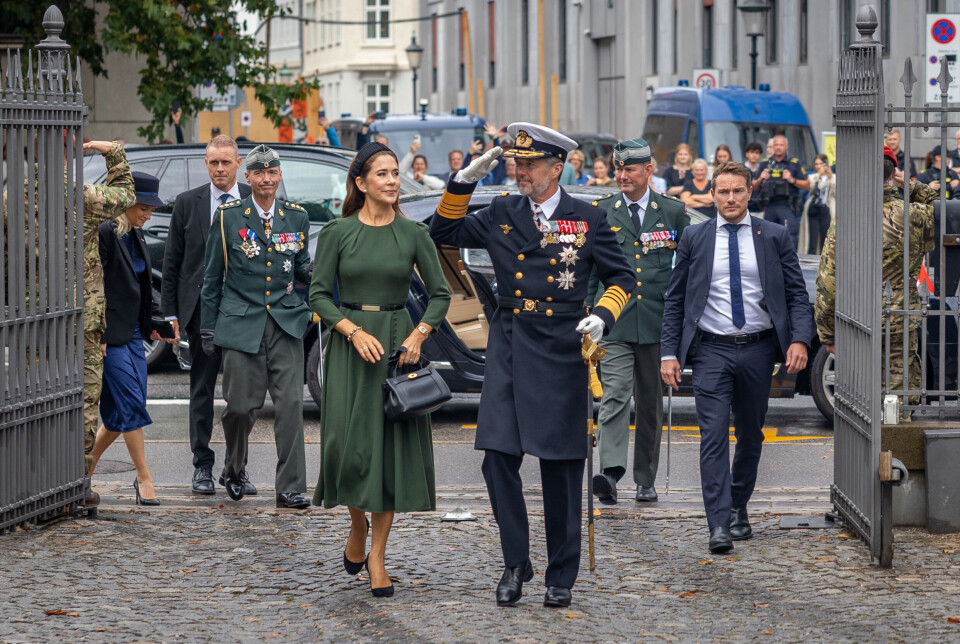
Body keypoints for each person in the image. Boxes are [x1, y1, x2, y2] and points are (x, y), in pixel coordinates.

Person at [430, 122, 635, 609]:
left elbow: (622, 277)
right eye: (516, 164)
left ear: (556, 168)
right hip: (511, 342)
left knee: (561, 468)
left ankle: (561, 574)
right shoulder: (503, 211)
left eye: (529, 164)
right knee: (497, 459)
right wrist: (463, 182)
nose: (520, 172)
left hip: (563, 345)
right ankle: (515, 561)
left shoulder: (587, 217)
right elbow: (443, 233)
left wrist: (603, 315)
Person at [309, 142, 450, 598]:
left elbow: (440, 295)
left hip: (396, 350)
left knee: (387, 455)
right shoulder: (337, 232)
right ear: (361, 183)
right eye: (382, 174)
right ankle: (356, 525)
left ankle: (378, 557)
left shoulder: (413, 234)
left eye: (394, 173)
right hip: (351, 348)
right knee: (346, 449)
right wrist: (351, 331)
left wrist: (419, 335)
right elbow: (317, 295)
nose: (392, 181)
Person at [660, 161, 812, 554]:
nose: (730, 198)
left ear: (749, 193)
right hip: (711, 350)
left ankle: (738, 504)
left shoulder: (774, 235)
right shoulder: (694, 237)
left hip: (758, 349)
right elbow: (675, 299)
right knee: (712, 436)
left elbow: (796, 294)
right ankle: (718, 523)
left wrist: (800, 340)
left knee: (750, 433)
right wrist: (668, 353)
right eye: (723, 191)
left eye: (737, 191)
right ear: (712, 194)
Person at [2, 139, 135, 508]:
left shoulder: (11, 198)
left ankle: (32, 484)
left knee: (32, 399)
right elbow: (126, 194)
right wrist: (113, 151)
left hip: (33, 317)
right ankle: (75, 483)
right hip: (80, 317)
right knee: (82, 401)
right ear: (67, 156)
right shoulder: (82, 196)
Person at [199, 145, 313, 509]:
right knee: (240, 408)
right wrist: (207, 328)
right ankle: (234, 468)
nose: (266, 179)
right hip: (241, 323)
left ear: (280, 176)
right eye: (259, 173)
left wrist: (321, 270)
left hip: (285, 322)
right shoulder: (229, 216)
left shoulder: (296, 217)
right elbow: (212, 278)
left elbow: (301, 267)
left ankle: (289, 487)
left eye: (272, 173)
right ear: (247, 177)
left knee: (291, 405)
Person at [587, 138, 690, 505]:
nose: (622, 176)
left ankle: (645, 478)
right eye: (619, 169)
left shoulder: (673, 212)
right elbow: (591, 271)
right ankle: (610, 473)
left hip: (656, 322)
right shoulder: (602, 211)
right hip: (613, 321)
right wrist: (589, 313)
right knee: (615, 394)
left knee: (649, 404)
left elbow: (686, 268)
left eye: (629, 169)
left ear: (648, 170)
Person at [162, 135, 254, 496]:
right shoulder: (188, 203)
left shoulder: (252, 198)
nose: (219, 169)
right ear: (206, 163)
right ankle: (202, 465)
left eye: (226, 162)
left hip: (243, 311)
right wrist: (170, 312)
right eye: (213, 162)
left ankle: (236, 468)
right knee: (201, 389)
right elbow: (172, 262)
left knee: (242, 395)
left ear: (238, 164)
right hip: (201, 312)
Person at [815, 147, 936, 408]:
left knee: (859, 400)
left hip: (857, 318)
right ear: (893, 174)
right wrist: (913, 187)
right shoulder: (915, 214)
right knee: (898, 396)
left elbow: (828, 281)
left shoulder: (847, 217)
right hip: (900, 318)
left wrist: (828, 334)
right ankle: (897, 428)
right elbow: (947, 211)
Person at [87, 172, 166, 505]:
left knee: (124, 412)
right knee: (131, 404)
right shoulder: (105, 232)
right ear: (126, 204)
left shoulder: (136, 233)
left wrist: (156, 324)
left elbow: (142, 287)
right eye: (144, 208)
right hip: (111, 334)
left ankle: (87, 466)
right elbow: (96, 286)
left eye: (151, 209)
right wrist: (100, 332)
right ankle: (144, 477)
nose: (148, 215)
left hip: (134, 333)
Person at [753, 134, 809, 249]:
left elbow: (807, 185)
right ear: (772, 146)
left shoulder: (794, 163)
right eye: (776, 145)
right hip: (770, 206)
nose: (778, 147)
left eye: (781, 145)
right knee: (767, 238)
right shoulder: (765, 163)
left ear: (786, 146)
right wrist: (760, 178)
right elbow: (753, 186)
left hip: (787, 206)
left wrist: (792, 179)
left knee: (789, 237)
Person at [802, 154, 835, 254]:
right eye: (816, 164)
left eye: (821, 164)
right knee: (812, 239)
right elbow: (810, 188)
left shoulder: (833, 177)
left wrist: (830, 177)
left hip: (827, 209)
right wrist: (819, 176)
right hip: (814, 209)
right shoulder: (812, 177)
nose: (818, 166)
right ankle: (810, 259)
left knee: (826, 239)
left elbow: (836, 193)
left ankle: (824, 259)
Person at [743, 142, 764, 215]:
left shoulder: (763, 169)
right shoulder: (740, 169)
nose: (754, 155)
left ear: (760, 155)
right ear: (747, 154)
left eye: (757, 153)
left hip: (761, 208)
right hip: (744, 208)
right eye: (752, 152)